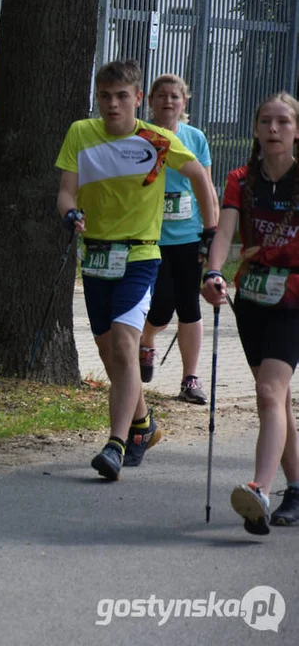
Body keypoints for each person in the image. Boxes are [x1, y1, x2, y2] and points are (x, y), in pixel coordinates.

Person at [55, 59, 218, 481]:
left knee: (127, 346)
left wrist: (210, 231)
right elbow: (66, 192)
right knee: (112, 353)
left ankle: (116, 442)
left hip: (141, 256)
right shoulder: (80, 133)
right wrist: (71, 214)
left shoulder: (156, 139)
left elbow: (200, 177)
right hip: (94, 257)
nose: (112, 105)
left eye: (122, 96)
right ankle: (145, 425)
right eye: (104, 96)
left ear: (137, 98)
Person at [202, 92, 299, 534]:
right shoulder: (241, 178)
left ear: (296, 130)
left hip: (295, 298)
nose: (274, 129)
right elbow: (224, 231)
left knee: (267, 392)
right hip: (254, 298)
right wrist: (213, 272)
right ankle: (296, 489)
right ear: (256, 129)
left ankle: (259, 488)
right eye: (266, 121)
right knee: (275, 400)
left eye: (283, 122)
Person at [138, 74, 213, 406]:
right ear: (150, 100)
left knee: (189, 306)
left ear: (184, 102)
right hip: (150, 235)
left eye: (175, 96)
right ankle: (147, 339)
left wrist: (210, 235)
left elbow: (207, 188)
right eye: (162, 96)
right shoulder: (138, 135)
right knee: (160, 308)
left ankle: (190, 378)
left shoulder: (195, 138)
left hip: (188, 235)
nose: (168, 102)